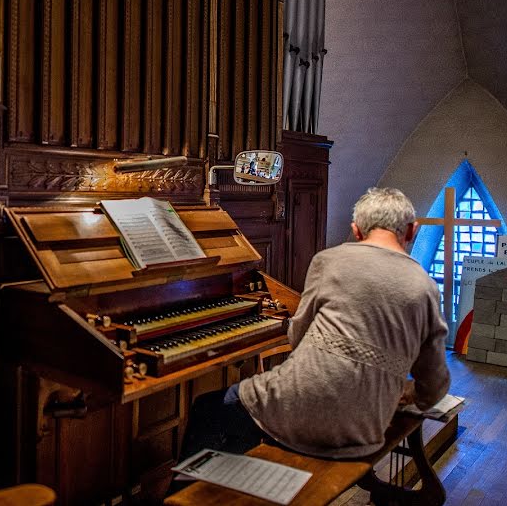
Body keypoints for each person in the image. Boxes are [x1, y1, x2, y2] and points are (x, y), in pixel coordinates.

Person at [178, 187, 450, 462]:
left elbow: (297, 338)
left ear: (356, 231)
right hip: (363, 434)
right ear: (412, 230)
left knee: (209, 407)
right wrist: (403, 392)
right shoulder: (425, 286)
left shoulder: (330, 261)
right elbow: (435, 384)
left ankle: (193, 495)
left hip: (300, 413)